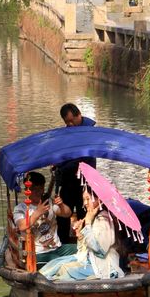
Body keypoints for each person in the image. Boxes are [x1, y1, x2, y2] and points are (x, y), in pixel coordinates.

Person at [39, 190, 124, 280]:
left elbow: (100, 251)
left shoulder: (103, 219)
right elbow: (83, 249)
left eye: (88, 199)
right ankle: (38, 278)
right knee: (57, 263)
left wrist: (87, 224)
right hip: (90, 261)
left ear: (99, 200)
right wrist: (80, 235)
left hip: (103, 265)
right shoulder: (93, 217)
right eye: (84, 199)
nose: (85, 203)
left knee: (65, 269)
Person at [12, 171, 75, 268]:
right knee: (55, 260)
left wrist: (61, 205)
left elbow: (67, 214)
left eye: (40, 189)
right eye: (34, 189)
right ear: (27, 190)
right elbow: (22, 226)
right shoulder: (20, 208)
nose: (37, 192)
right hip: (37, 253)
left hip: (57, 249)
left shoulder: (48, 203)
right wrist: (37, 213)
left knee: (80, 249)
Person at [56, 103, 96, 242]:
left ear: (79, 114)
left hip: (85, 181)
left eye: (72, 120)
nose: (70, 124)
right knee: (62, 214)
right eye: (67, 122)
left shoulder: (90, 132)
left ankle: (85, 243)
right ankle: (62, 242)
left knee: (83, 212)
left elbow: (82, 158)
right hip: (68, 181)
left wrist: (60, 164)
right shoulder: (66, 133)